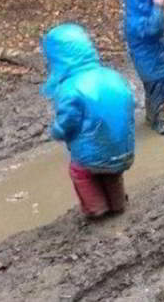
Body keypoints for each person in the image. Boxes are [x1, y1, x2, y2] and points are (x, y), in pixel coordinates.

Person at [41, 23, 135, 218]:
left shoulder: (69, 88)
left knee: (80, 172)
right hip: (124, 151)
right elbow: (130, 104)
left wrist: (56, 131)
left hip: (91, 156)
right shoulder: (113, 76)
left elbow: (67, 123)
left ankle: (96, 209)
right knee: (112, 172)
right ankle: (117, 204)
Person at [124, 0, 164, 135]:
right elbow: (156, 28)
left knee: (152, 92)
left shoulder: (137, 14)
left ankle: (151, 120)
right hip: (152, 65)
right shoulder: (136, 21)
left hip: (150, 63)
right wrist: (158, 6)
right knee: (161, 96)